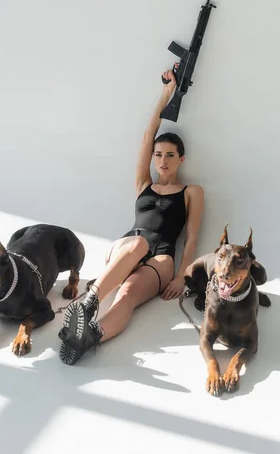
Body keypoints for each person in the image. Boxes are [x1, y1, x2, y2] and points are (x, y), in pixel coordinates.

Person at [58, 68, 204, 365]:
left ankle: (88, 339)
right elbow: (148, 136)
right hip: (129, 244)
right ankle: (90, 302)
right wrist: (166, 94)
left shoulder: (192, 191)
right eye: (158, 155)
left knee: (127, 296)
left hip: (161, 256)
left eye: (170, 155)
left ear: (181, 159)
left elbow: (191, 237)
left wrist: (181, 276)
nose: (162, 161)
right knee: (138, 245)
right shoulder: (144, 185)